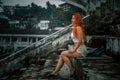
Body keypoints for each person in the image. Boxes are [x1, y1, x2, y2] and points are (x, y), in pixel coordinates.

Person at [48, 13, 87, 77]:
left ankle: (71, 69)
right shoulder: (75, 27)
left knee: (63, 54)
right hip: (78, 49)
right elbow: (76, 41)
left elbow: (81, 40)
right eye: (72, 18)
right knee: (62, 55)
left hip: (81, 50)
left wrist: (74, 49)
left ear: (77, 19)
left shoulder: (78, 28)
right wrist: (74, 48)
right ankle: (55, 72)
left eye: (74, 18)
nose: (72, 20)